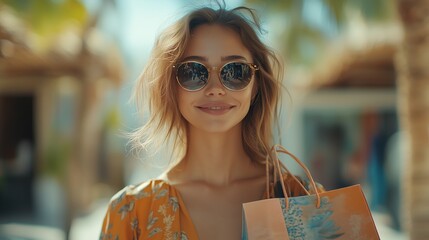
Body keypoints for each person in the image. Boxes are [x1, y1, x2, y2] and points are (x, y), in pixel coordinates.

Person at [100, 3, 323, 240]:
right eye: (194, 71)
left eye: (235, 71)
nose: (215, 88)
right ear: (172, 86)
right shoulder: (130, 212)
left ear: (255, 85)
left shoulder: (303, 197)